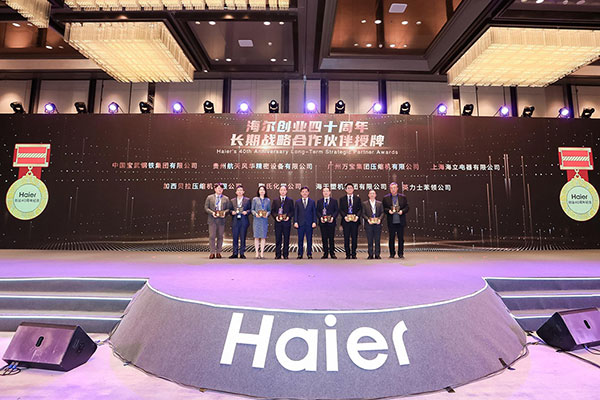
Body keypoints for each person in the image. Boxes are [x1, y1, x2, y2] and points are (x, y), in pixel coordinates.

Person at [382, 182, 409, 259]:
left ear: (397, 188)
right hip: (391, 221)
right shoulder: (386, 198)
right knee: (391, 238)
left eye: (394, 188)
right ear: (390, 189)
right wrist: (388, 211)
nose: (393, 189)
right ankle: (392, 253)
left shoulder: (403, 197)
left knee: (401, 238)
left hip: (400, 221)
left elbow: (407, 207)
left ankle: (400, 253)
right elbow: (384, 208)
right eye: (391, 188)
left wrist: (402, 211)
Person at [204, 184, 231, 259]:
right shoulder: (209, 197)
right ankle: (212, 252)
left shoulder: (226, 198)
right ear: (215, 189)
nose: (219, 190)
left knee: (220, 236)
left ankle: (218, 252)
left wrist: (224, 213)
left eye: (221, 188)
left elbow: (228, 209)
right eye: (218, 188)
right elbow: (206, 208)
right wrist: (212, 213)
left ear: (222, 190)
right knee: (212, 236)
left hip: (221, 220)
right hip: (212, 219)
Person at [338, 183, 362, 259]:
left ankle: (354, 253)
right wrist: (345, 216)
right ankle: (347, 254)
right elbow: (340, 209)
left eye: (351, 188)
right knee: (346, 238)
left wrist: (357, 216)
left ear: (353, 189)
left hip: (355, 221)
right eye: (348, 188)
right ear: (345, 190)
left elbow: (360, 209)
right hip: (346, 221)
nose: (349, 189)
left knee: (354, 237)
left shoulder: (357, 199)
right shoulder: (342, 199)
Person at [271, 185, 294, 259]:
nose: (283, 191)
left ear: (286, 191)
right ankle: (278, 254)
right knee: (278, 238)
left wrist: (288, 217)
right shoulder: (275, 200)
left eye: (284, 190)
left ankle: (285, 254)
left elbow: (292, 211)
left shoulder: (290, 200)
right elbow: (273, 211)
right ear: (279, 191)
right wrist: (276, 217)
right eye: (281, 190)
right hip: (278, 222)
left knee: (286, 239)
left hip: (286, 222)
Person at [294, 186, 317, 259]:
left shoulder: (312, 202)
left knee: (309, 239)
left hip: (309, 223)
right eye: (303, 192)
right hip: (300, 223)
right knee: (300, 239)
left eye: (306, 192)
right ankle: (300, 254)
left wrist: (314, 222)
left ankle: (309, 254)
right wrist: (295, 221)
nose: (304, 193)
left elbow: (314, 213)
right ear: (300, 193)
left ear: (308, 193)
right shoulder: (297, 202)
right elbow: (296, 213)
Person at [316, 187, 339, 259]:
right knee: (324, 238)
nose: (325, 192)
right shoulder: (319, 201)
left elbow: (336, 210)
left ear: (329, 192)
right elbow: (317, 211)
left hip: (331, 222)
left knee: (331, 238)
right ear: (322, 193)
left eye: (327, 191)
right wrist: (320, 217)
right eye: (324, 191)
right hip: (323, 222)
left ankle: (332, 253)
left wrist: (333, 217)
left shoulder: (334, 201)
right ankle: (325, 253)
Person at [229, 185, 251, 259]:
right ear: (236, 192)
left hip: (243, 220)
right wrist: (232, 212)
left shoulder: (247, 200)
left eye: (241, 190)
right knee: (235, 237)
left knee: (243, 237)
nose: (239, 192)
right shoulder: (232, 200)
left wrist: (246, 212)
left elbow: (250, 209)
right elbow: (230, 210)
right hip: (235, 221)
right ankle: (235, 253)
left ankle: (242, 253)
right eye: (238, 190)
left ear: (243, 192)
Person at [362, 189, 384, 259]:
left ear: (375, 195)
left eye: (373, 193)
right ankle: (370, 254)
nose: (372, 195)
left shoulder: (379, 203)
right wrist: (367, 219)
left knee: (377, 240)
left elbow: (382, 213)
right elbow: (363, 214)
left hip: (377, 224)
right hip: (369, 224)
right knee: (370, 240)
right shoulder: (365, 204)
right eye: (370, 193)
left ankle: (377, 254)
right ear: (368, 195)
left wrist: (380, 219)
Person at [251, 185, 271, 259]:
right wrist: (255, 214)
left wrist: (267, 214)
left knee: (263, 237)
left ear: (265, 191)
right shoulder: (255, 199)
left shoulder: (268, 200)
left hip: (264, 220)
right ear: (258, 191)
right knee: (256, 237)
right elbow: (252, 209)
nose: (262, 191)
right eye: (260, 190)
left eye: (263, 190)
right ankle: (257, 252)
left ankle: (262, 252)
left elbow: (269, 210)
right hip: (257, 220)